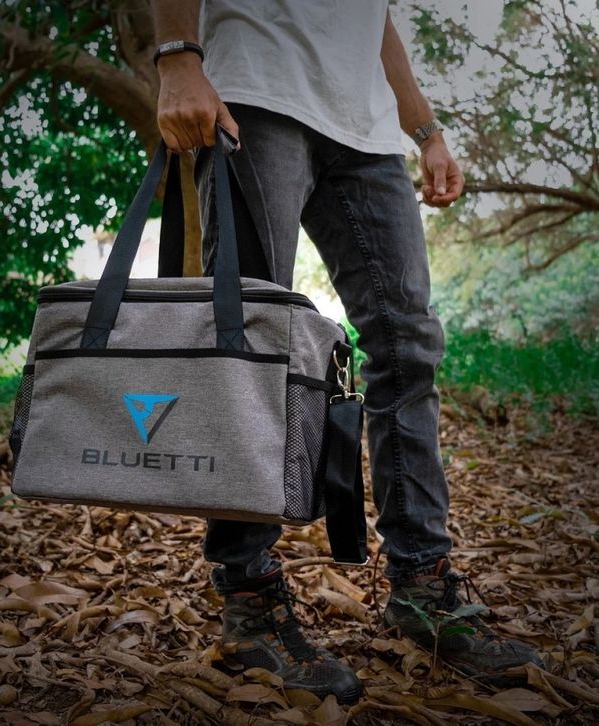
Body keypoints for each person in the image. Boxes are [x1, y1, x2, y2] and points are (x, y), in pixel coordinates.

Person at [151, 0, 543, 704]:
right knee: (250, 346)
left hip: (366, 128)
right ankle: (249, 607)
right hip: (254, 93)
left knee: (409, 345)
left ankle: (422, 588)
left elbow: (376, 17)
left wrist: (427, 131)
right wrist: (178, 58)